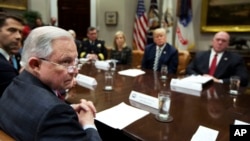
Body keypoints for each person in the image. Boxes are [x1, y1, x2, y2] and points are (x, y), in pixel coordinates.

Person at [0, 26, 102, 141]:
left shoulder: (15, 84)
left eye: (76, 61)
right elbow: (48, 113)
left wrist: (68, 109)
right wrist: (88, 124)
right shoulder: (54, 114)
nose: (75, 70)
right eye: (66, 62)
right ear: (35, 65)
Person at [0, 12, 24, 96]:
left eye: (20, 32)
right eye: (12, 30)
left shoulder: (16, 56)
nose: (19, 36)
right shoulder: (3, 66)